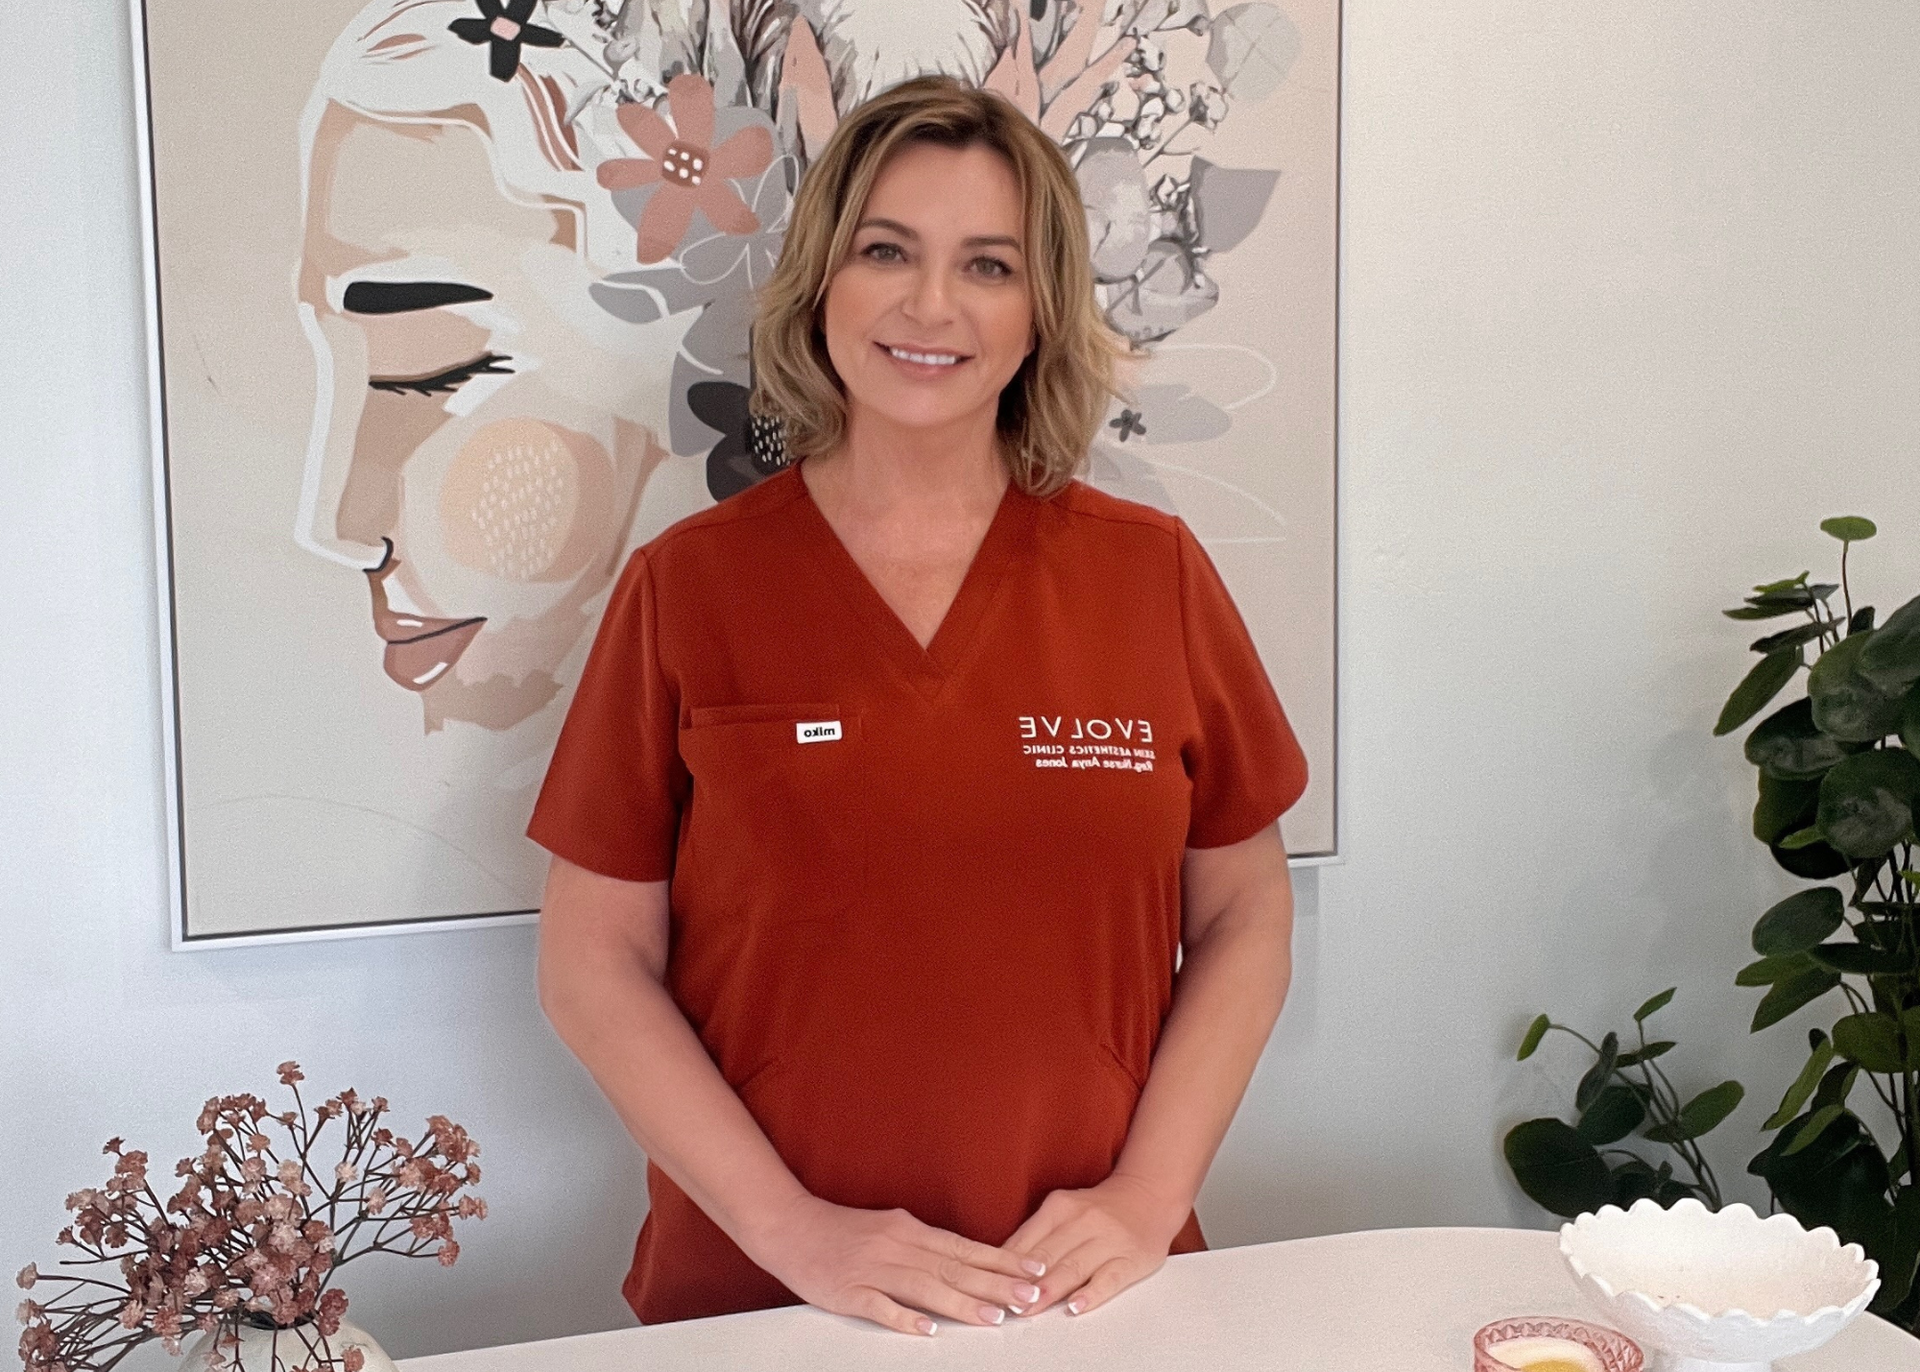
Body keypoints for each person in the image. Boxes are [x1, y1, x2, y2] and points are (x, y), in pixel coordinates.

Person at [530, 75, 1307, 1336]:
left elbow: (1247, 912)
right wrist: (798, 1236)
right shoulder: (691, 588)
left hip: (1086, 1300)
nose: (932, 304)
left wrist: (1148, 1194)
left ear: (1040, 308)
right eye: (886, 250)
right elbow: (591, 962)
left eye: (989, 265)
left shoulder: (1150, 573)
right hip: (768, 1304)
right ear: (822, 280)